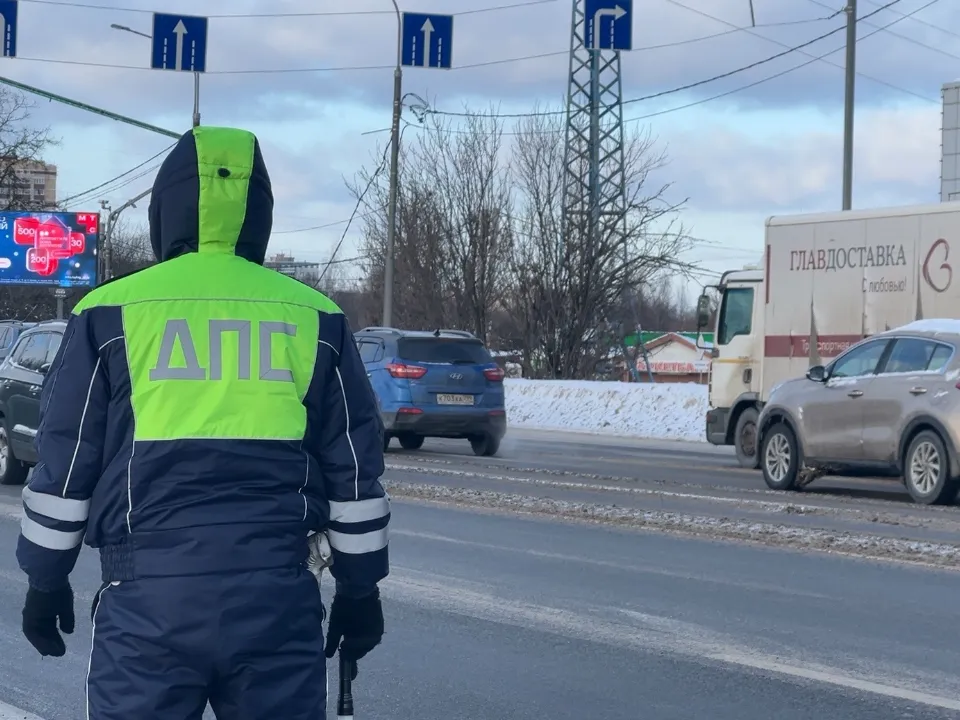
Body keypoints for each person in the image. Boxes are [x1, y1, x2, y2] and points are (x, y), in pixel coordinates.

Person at [15, 125, 390, 719]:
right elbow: (354, 472)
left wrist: (45, 579)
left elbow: (65, 466)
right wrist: (360, 588)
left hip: (145, 607)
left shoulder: (107, 314)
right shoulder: (317, 318)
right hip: (278, 603)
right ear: (260, 214)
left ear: (165, 209)